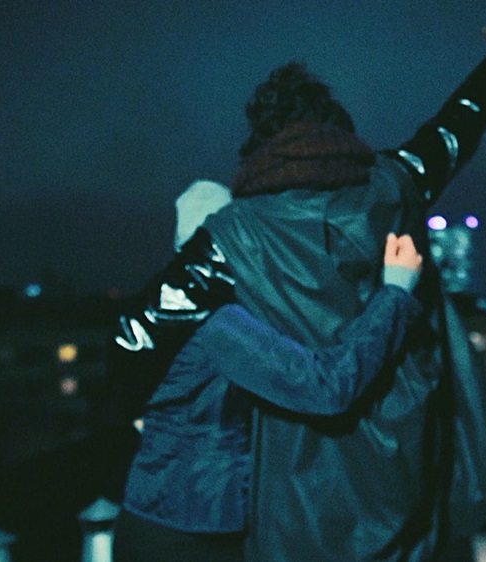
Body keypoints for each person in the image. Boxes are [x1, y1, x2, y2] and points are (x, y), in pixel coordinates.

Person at [117, 4, 486, 560]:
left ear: (260, 146)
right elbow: (459, 125)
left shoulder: (233, 236)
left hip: (300, 483)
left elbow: (136, 335)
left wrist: (151, 415)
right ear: (340, 131)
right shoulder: (396, 184)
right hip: (409, 457)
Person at [111, 179, 427, 561]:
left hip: (158, 517)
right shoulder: (219, 325)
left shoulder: (171, 315)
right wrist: (395, 293)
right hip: (189, 533)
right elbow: (325, 387)